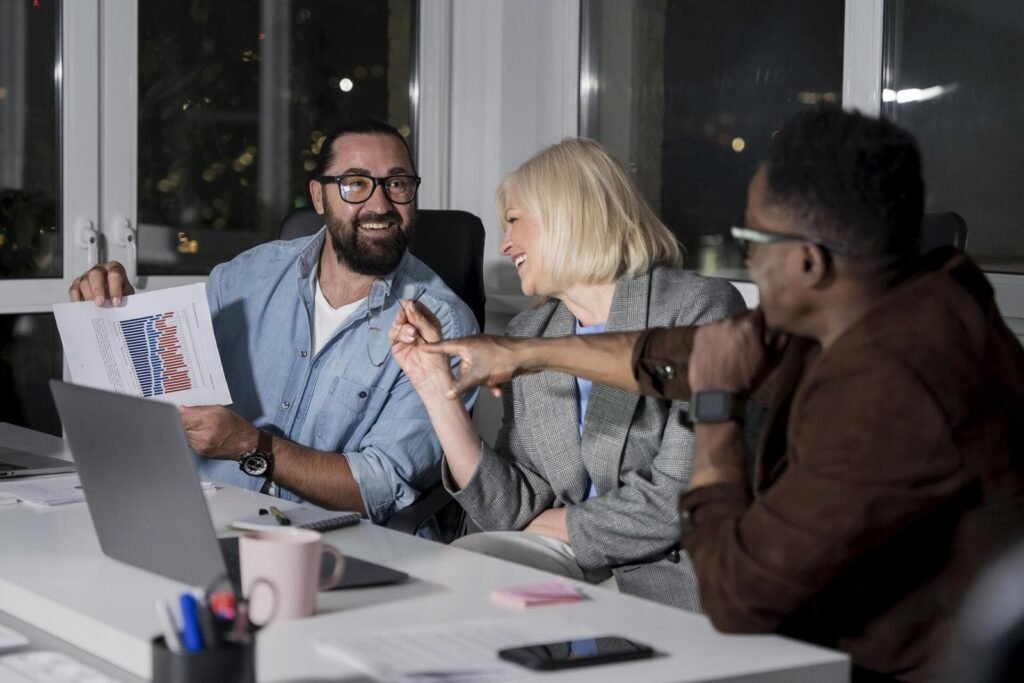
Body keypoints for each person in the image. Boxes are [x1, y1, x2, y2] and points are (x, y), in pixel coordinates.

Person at [419, 108, 1024, 680]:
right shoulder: (893, 303)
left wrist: (713, 406)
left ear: (810, 262)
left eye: (753, 242)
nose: (746, 264)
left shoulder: (889, 391)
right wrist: (525, 353)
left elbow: (738, 594)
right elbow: (676, 354)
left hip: (879, 664)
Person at [390, 137, 746, 609]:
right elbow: (510, 506)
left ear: (567, 213)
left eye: (514, 220)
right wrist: (437, 388)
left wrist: (555, 524)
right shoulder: (531, 329)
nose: (504, 244)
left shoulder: (700, 308)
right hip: (568, 556)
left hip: (676, 569)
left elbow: (683, 499)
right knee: (460, 576)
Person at [68, 119, 478, 529]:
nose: (380, 204)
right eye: (355, 184)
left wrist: (252, 446)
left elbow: (381, 485)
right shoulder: (248, 275)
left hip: (335, 544)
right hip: (201, 517)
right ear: (319, 196)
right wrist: (118, 309)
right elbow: (169, 375)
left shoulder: (443, 325)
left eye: (398, 183)